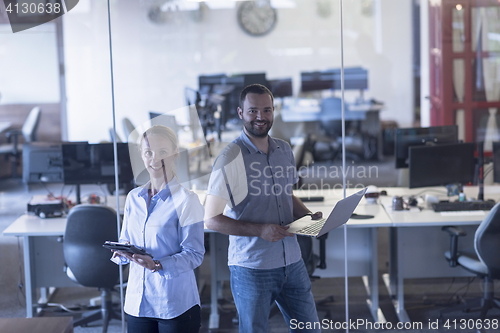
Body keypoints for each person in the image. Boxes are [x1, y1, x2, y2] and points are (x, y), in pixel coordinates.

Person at [204, 84, 323, 333]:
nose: (261, 117)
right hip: (253, 267)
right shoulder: (230, 158)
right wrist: (259, 230)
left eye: (266, 110)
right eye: (253, 111)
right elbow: (211, 220)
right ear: (240, 113)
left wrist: (308, 217)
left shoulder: (284, 150)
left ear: (273, 111)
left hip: (292, 261)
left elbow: (286, 195)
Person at [113, 125, 205, 333]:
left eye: (162, 152)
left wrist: (157, 265)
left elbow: (195, 255)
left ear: (175, 155)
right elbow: (125, 239)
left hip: (174, 303)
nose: (155, 159)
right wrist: (123, 251)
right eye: (148, 153)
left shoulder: (187, 201)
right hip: (138, 302)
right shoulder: (133, 198)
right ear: (142, 156)